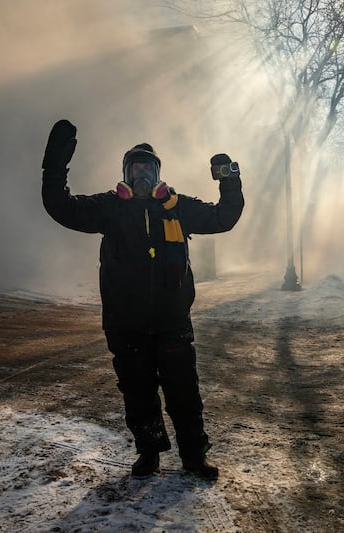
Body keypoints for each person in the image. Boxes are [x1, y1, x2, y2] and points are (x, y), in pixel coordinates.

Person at [41, 119, 244, 480]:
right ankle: (148, 453)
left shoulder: (177, 208)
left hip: (172, 324)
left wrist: (229, 177)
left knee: (184, 395)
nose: (142, 176)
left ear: (158, 174)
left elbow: (224, 217)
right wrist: (55, 165)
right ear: (125, 174)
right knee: (138, 397)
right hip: (126, 326)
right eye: (135, 169)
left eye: (148, 169)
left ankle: (195, 457)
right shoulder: (110, 209)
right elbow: (61, 207)